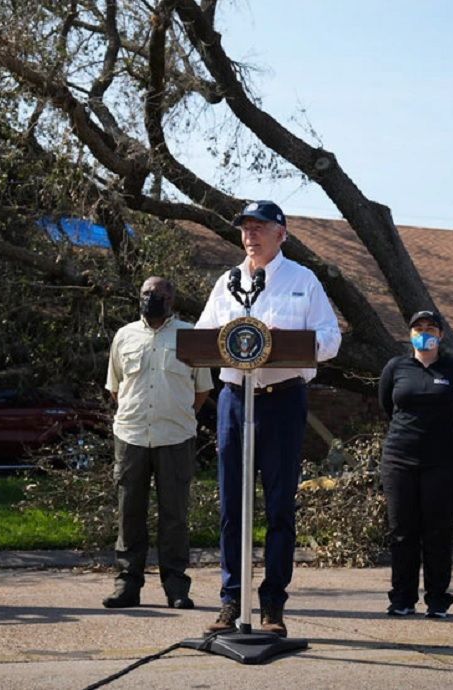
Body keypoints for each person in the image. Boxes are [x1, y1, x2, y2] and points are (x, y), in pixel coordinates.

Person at [196, 200, 341, 637]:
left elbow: (331, 339)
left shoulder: (304, 280)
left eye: (260, 228)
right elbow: (202, 336)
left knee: (279, 506)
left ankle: (273, 605)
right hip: (235, 399)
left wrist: (292, 341)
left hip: (282, 400)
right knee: (231, 506)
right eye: (245, 228)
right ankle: (230, 601)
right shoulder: (227, 283)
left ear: (282, 233)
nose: (250, 235)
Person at [102, 276, 213, 610]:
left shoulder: (191, 336)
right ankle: (127, 586)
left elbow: (202, 390)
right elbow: (115, 387)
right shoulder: (124, 336)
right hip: (132, 435)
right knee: (129, 513)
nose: (152, 299)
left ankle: (176, 588)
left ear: (172, 300)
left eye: (159, 294)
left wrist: (175, 415)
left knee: (174, 515)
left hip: (175, 437)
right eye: (146, 293)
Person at [378, 310, 453, 618]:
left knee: (438, 531)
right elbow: (387, 406)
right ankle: (402, 599)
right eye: (418, 328)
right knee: (402, 531)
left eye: (430, 327)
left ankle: (437, 600)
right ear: (409, 334)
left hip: (445, 462)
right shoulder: (396, 368)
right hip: (399, 460)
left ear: (441, 334)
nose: (424, 332)